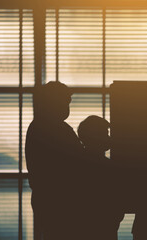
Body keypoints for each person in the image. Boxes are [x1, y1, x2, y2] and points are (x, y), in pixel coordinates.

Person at [25, 81, 87, 239]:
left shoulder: (37, 127)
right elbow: (81, 162)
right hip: (61, 202)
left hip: (46, 199)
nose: (67, 108)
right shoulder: (58, 129)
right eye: (65, 102)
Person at [78, 115, 125, 240]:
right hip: (106, 228)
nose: (109, 138)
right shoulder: (107, 167)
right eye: (105, 133)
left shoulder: (78, 165)